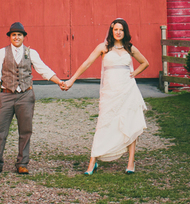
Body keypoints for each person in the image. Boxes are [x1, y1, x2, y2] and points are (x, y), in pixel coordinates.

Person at [63, 18, 149, 175]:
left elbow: (145, 62)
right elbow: (87, 63)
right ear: (111, 30)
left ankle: (130, 163)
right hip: (110, 91)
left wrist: (134, 74)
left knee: (129, 122)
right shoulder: (103, 47)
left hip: (127, 90)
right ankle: (93, 162)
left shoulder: (130, 48)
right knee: (103, 123)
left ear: (125, 32)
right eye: (116, 29)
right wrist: (72, 79)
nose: (118, 32)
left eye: (121, 30)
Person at [0, 21, 66, 175]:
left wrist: (59, 82)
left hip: (26, 96)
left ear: (23, 37)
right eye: (13, 35)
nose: (16, 37)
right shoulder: (2, 52)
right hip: (6, 95)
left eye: (19, 35)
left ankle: (22, 163)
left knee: (25, 131)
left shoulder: (31, 53)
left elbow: (43, 70)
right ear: (10, 37)